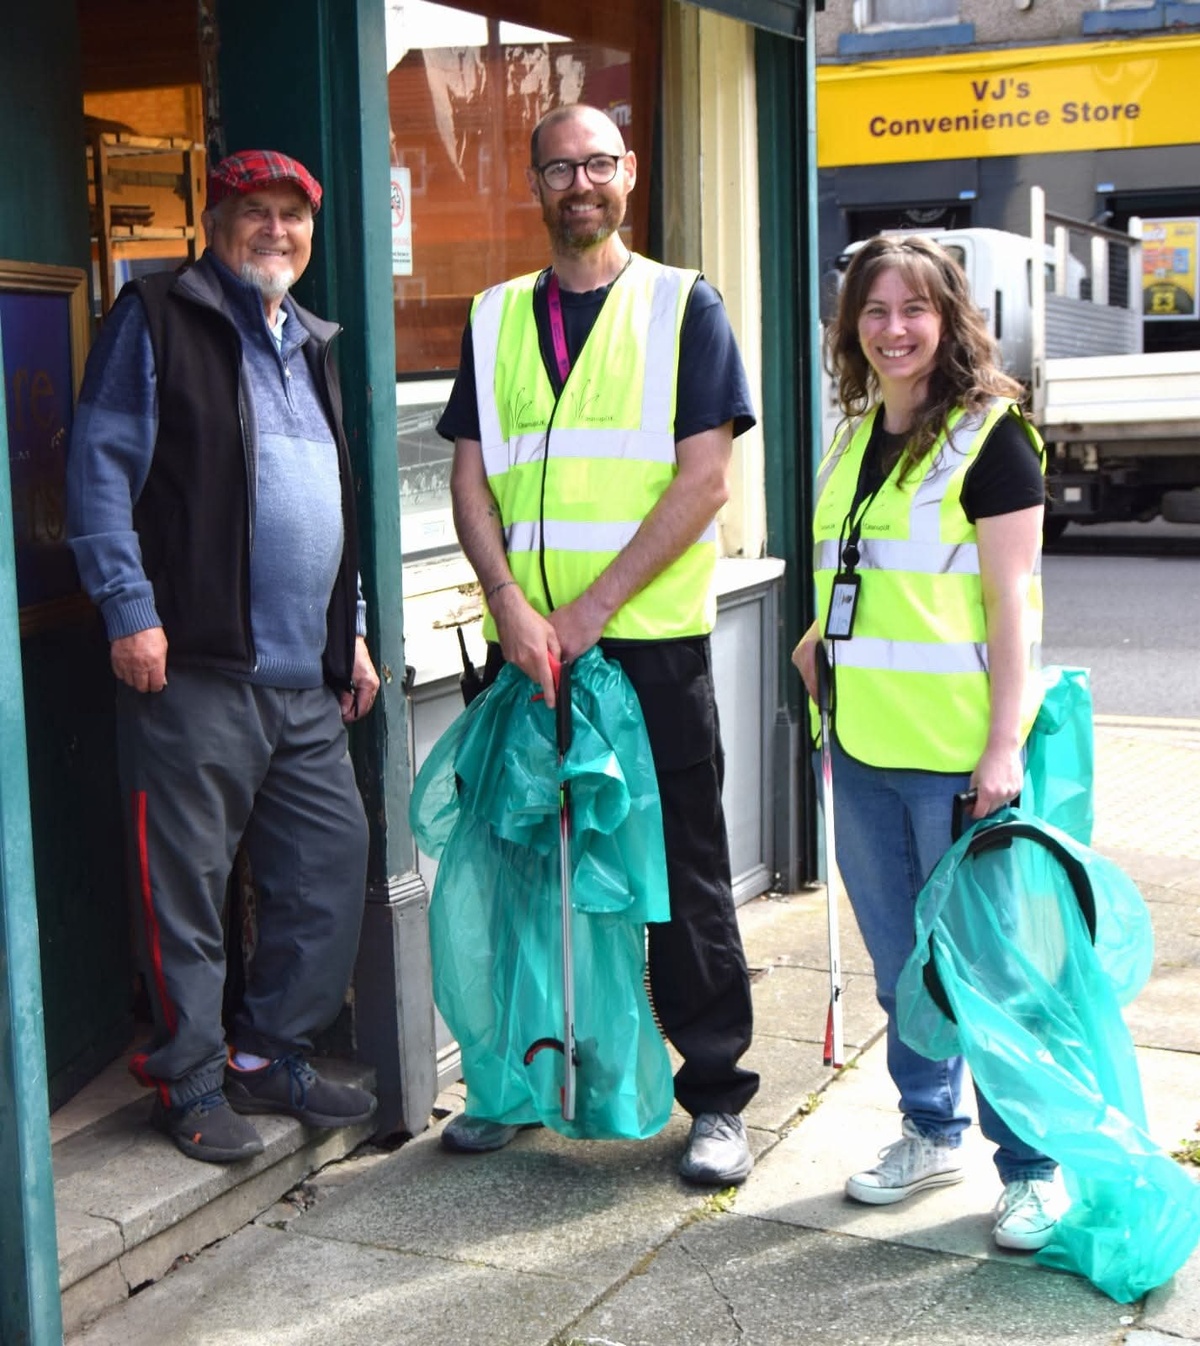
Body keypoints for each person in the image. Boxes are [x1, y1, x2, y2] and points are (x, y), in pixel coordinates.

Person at [436, 103, 760, 1185]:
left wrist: (589, 612)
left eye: (598, 162)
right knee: (527, 871)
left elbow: (704, 480)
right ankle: (519, 1081)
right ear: (533, 185)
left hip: (646, 653)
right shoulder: (490, 319)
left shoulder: (684, 305)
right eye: (557, 166)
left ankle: (714, 1094)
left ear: (629, 173)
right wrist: (512, 605)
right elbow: (469, 478)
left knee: (679, 877)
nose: (579, 181)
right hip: (525, 657)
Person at [67, 150, 380, 1164]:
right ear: (215, 219)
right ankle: (188, 1076)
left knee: (328, 863)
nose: (275, 230)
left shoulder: (313, 341)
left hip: (304, 677)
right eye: (255, 211)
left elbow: (332, 500)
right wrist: (128, 608)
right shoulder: (154, 318)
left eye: (293, 215)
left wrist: (355, 628)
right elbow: (99, 472)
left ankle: (266, 1052)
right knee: (184, 888)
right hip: (195, 664)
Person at [792, 233, 1066, 1250]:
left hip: (959, 758)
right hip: (861, 745)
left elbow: (1014, 605)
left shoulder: (995, 437)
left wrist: (1004, 747)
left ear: (948, 318)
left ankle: (1033, 1165)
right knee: (904, 961)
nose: (893, 329)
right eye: (873, 311)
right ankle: (929, 1125)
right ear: (850, 327)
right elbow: (861, 564)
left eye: (913, 309)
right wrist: (820, 634)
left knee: (985, 970)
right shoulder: (853, 434)